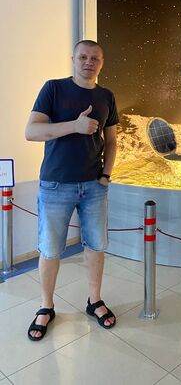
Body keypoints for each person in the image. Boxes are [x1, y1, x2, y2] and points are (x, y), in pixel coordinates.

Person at [25, 40, 119, 340]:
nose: (88, 62)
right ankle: (46, 306)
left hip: (94, 186)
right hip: (56, 184)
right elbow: (32, 132)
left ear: (101, 62)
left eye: (95, 58)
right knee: (50, 249)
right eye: (83, 57)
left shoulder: (107, 96)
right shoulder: (53, 88)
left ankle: (95, 301)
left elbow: (112, 140)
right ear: (73, 59)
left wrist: (106, 175)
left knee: (96, 245)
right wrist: (74, 126)